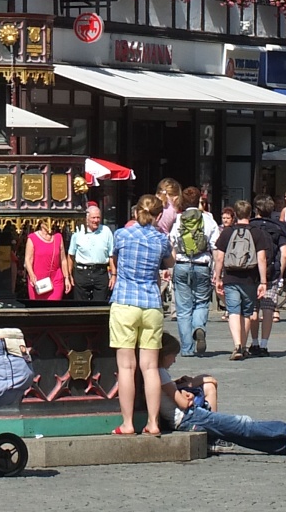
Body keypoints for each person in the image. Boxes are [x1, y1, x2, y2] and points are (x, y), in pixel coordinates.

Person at [158, 334, 286, 455]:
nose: (174, 360)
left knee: (237, 435)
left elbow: (170, 394)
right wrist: (188, 396)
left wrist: (181, 390)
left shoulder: (158, 372)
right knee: (243, 424)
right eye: (173, 356)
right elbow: (183, 403)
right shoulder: (161, 373)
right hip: (188, 417)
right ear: (165, 355)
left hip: (185, 419)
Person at [109, 194, 174, 436]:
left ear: (136, 212)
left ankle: (128, 424)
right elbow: (170, 262)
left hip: (125, 302)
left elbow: (114, 258)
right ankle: (153, 423)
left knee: (126, 367)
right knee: (150, 368)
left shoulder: (122, 235)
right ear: (159, 215)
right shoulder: (161, 240)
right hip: (151, 303)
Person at [213, 199, 269, 361]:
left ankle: (237, 344)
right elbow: (262, 258)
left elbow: (219, 258)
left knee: (233, 310)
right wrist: (263, 281)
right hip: (250, 278)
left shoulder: (227, 232)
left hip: (231, 276)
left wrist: (218, 277)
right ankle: (243, 346)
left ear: (235, 214)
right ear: (250, 214)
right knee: (246, 312)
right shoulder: (257, 233)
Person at [169, 186, 220, 356]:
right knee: (201, 302)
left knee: (183, 309)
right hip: (202, 265)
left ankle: (187, 348)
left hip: (182, 264)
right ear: (199, 200)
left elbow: (172, 244)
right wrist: (217, 271)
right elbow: (216, 248)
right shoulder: (208, 220)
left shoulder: (178, 219)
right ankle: (199, 327)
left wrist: (171, 267)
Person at [248, 195, 286, 357]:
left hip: (251, 272)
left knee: (253, 309)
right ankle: (264, 344)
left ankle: (254, 342)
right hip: (271, 273)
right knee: (268, 309)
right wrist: (280, 273)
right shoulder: (278, 228)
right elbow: (284, 254)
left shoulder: (250, 226)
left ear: (256, 209)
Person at [68, 204, 114, 301]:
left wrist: (114, 275)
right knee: (80, 306)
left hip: (100, 273)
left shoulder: (106, 231)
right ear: (87, 218)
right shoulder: (77, 231)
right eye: (93, 218)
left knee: (99, 305)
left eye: (98, 217)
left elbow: (111, 256)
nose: (96, 220)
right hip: (82, 273)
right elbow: (71, 255)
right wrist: (69, 275)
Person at [24, 220, 71, 300]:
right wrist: (31, 274)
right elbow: (28, 259)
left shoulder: (58, 237)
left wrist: (66, 278)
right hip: (37, 281)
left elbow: (63, 259)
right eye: (46, 221)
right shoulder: (32, 238)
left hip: (55, 280)